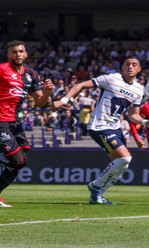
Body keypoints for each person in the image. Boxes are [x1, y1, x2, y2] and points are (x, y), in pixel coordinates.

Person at [0, 40, 53, 207]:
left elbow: (40, 102)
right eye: (14, 52)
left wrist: (47, 93)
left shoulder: (31, 75)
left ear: (26, 54)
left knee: (21, 162)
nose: (18, 54)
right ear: (8, 55)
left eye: (21, 51)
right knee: (17, 161)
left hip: (15, 122)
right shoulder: (1, 69)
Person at [53, 57, 147, 205]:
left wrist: (145, 122)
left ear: (139, 69)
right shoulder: (111, 78)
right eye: (127, 64)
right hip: (100, 126)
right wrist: (63, 101)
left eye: (134, 65)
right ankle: (95, 186)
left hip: (115, 127)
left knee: (123, 164)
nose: (130, 67)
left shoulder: (138, 89)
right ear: (122, 68)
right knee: (125, 158)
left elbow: (132, 115)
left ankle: (97, 196)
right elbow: (81, 85)